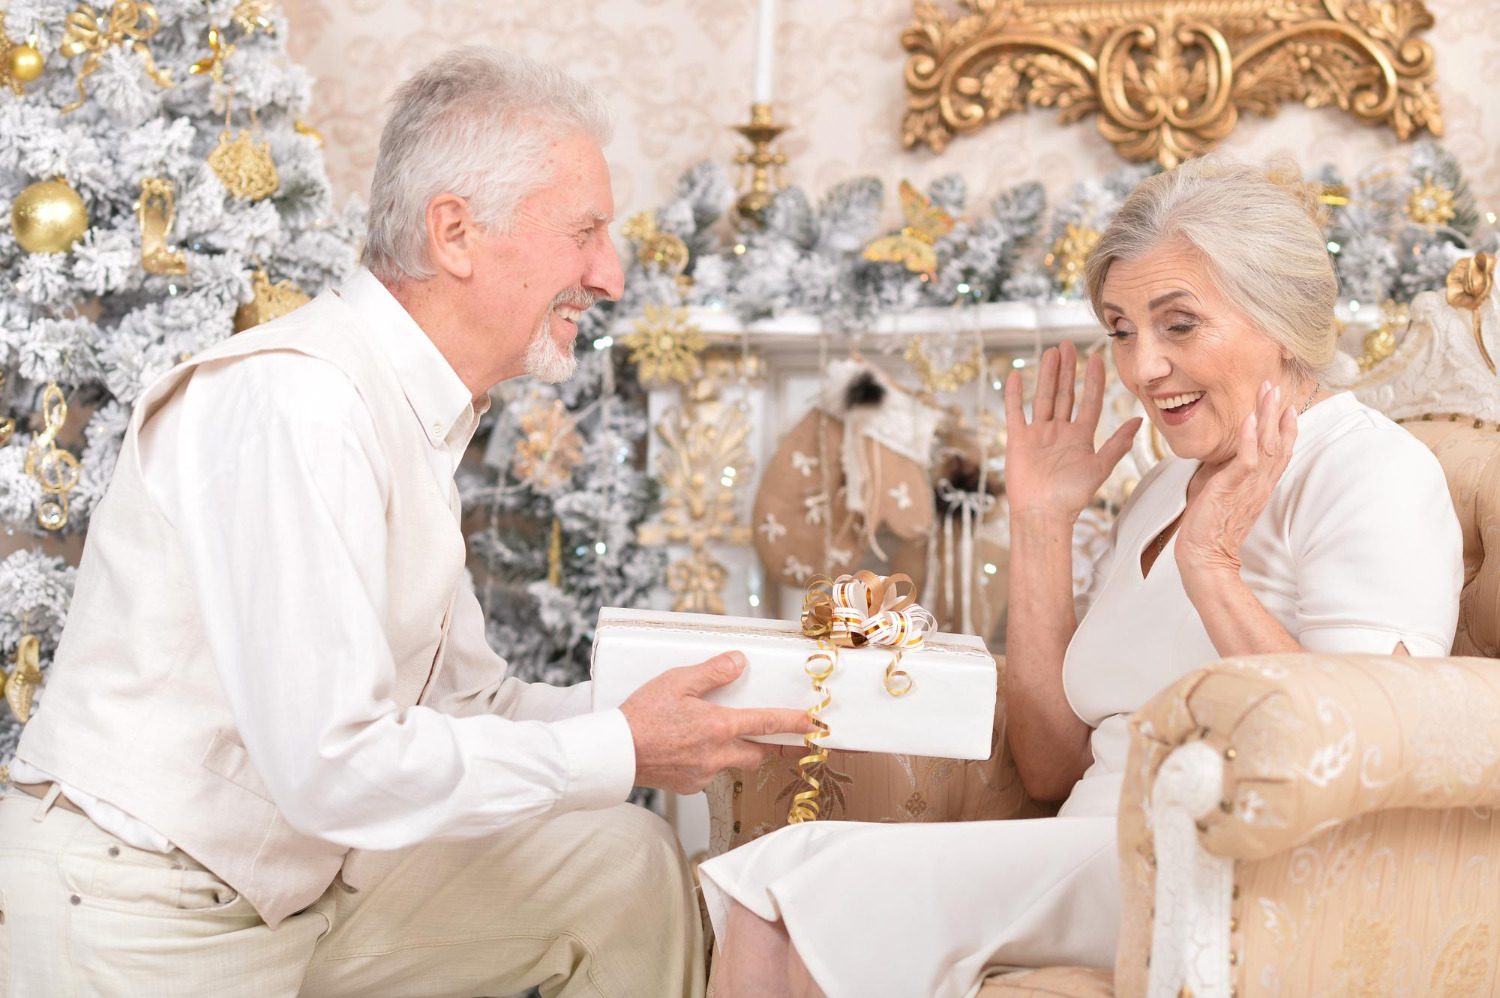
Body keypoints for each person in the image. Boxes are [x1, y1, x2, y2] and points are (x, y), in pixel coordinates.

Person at [0, 48, 812, 998]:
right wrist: (625, 747)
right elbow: (335, 765)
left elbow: (470, 707)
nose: (612, 276)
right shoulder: (297, 403)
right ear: (456, 233)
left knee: (618, 862)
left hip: (298, 891)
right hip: (144, 909)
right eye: (585, 231)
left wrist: (694, 715)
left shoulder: (409, 412)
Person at [701, 159, 1465, 998]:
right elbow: (1052, 771)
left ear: (1281, 320)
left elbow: (1364, 762)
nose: (1143, 369)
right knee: (768, 889)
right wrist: (1041, 523)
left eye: (1178, 326)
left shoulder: (1373, 472)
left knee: (794, 885)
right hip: (1093, 850)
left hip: (1233, 872)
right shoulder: (1163, 484)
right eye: (1122, 330)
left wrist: (1209, 567)